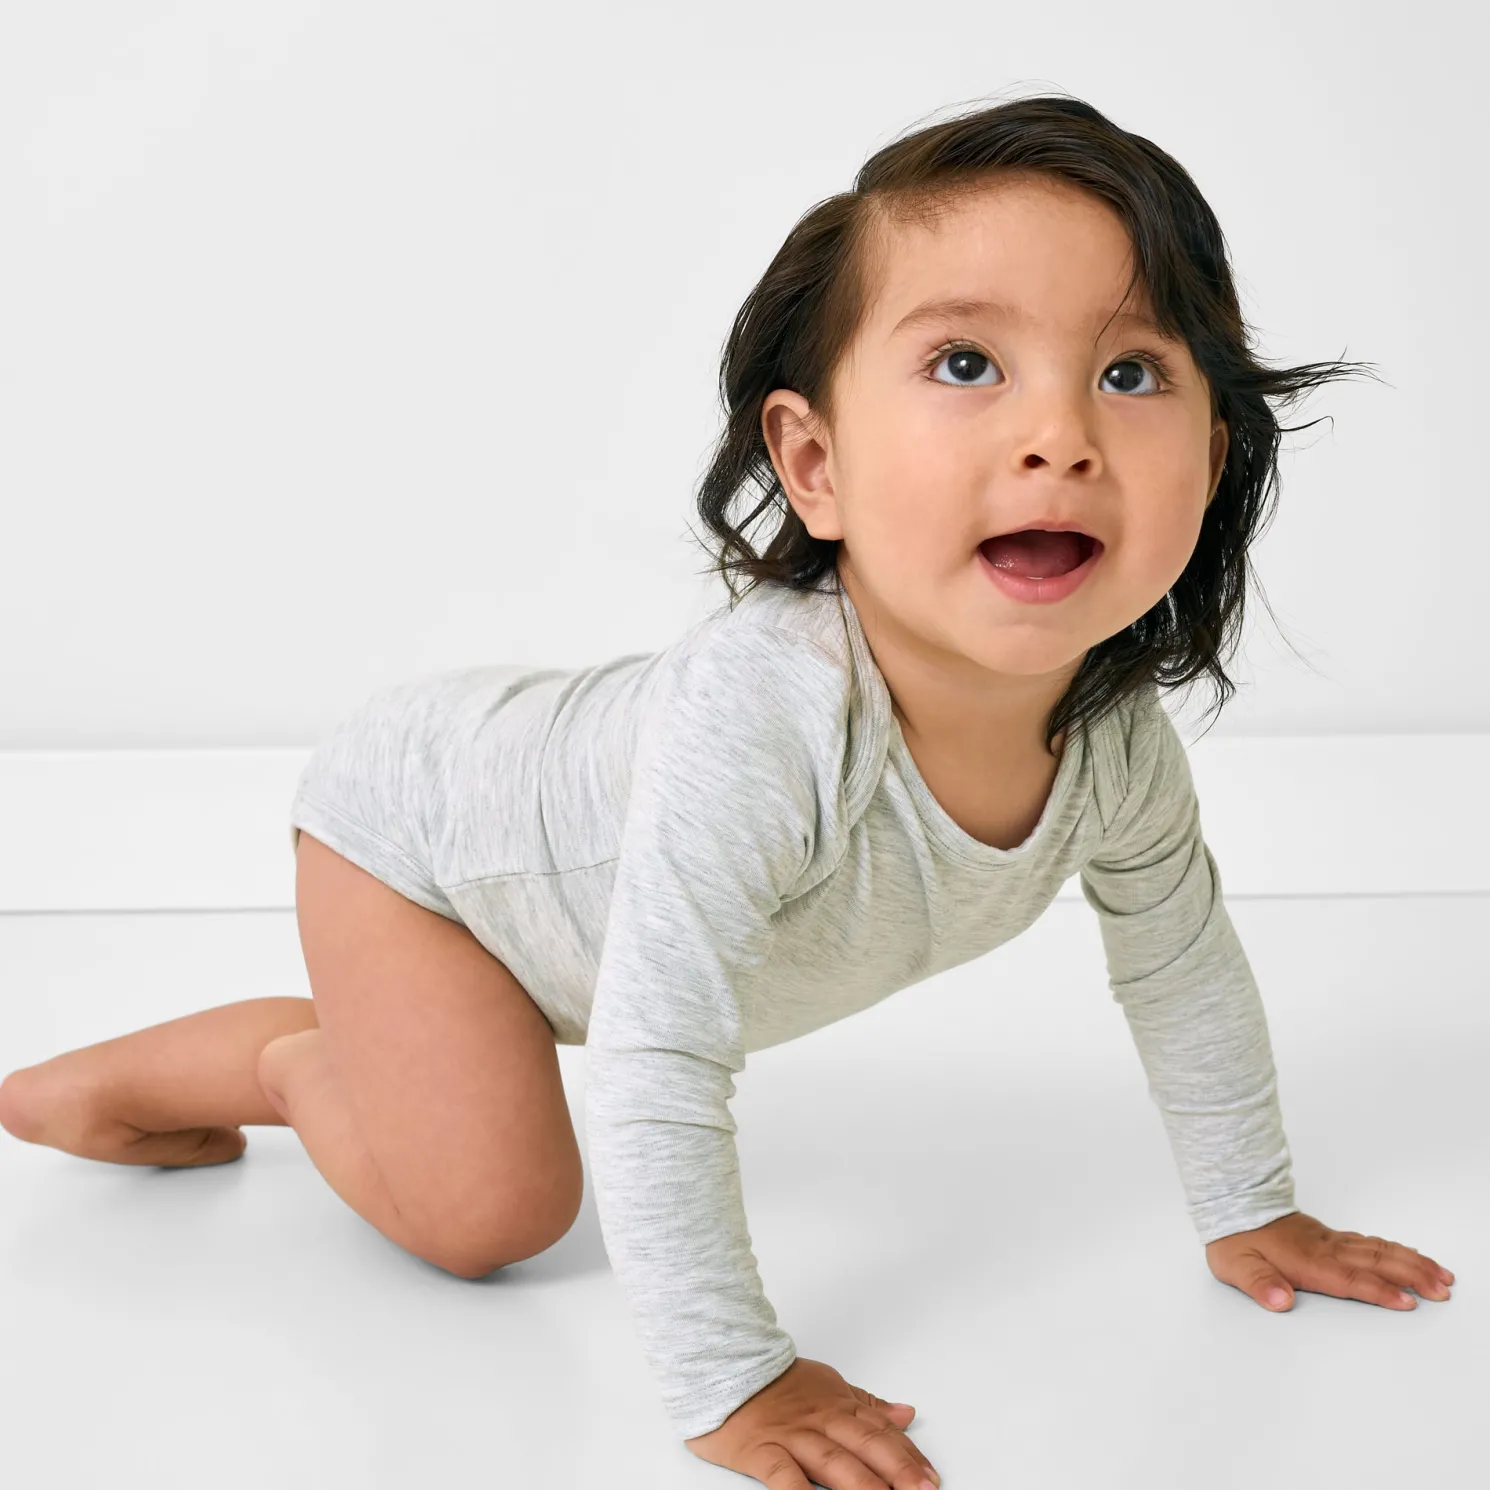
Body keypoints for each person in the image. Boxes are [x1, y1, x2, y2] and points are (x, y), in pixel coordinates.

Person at [0, 92, 1455, 1490]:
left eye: (1129, 372)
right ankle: (287, 1059)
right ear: (812, 463)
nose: (1058, 433)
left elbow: (1181, 964)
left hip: (578, 896)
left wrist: (1250, 1205)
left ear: (1209, 457)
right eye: (965, 365)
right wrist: (731, 1373)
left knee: (499, 1155)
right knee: (487, 1215)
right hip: (429, 851)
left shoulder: (1117, 742)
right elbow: (657, 1056)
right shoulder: (768, 719)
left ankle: (356, 1056)